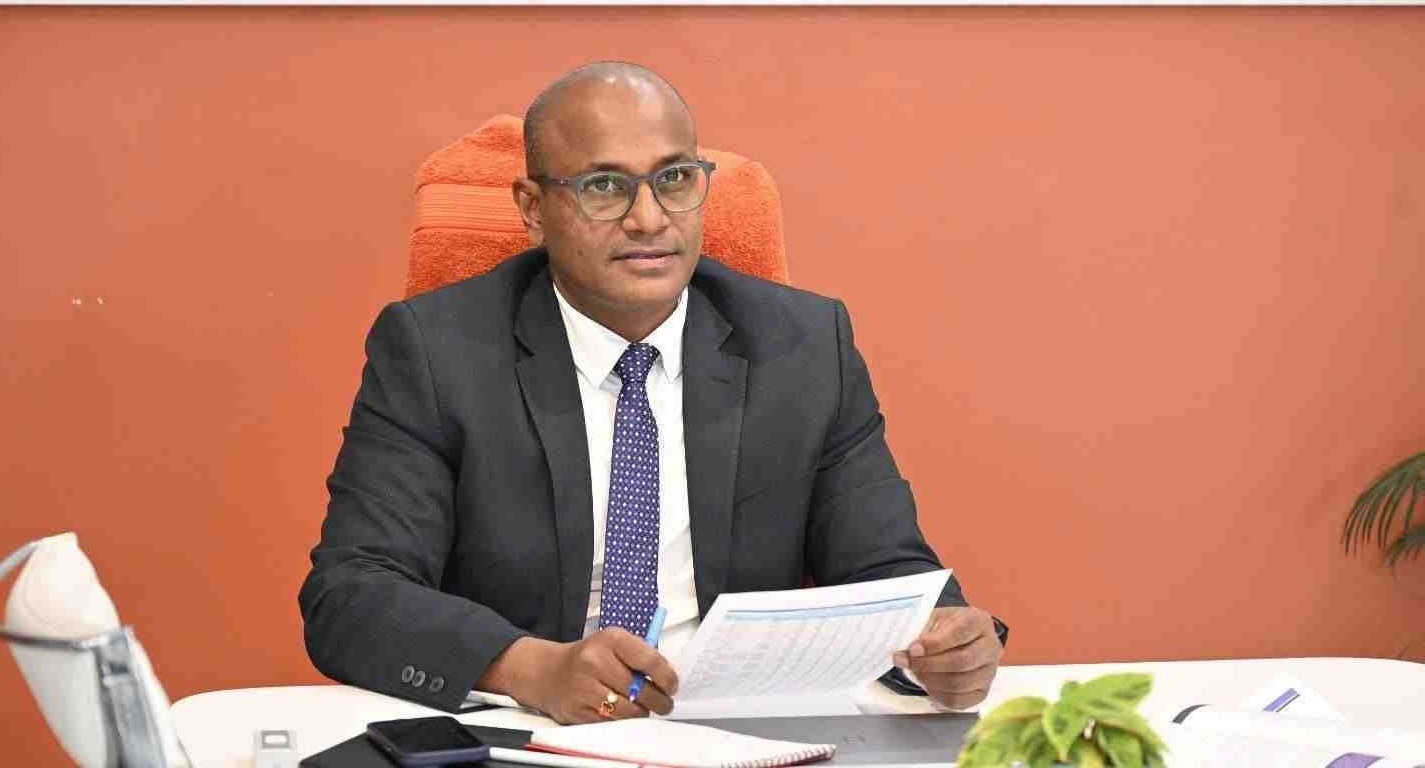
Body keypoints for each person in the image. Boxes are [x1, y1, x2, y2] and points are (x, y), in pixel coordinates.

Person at [300, 62, 1005, 724]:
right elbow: (351, 591)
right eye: (605, 186)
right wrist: (528, 667)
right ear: (533, 209)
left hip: (741, 729)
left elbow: (886, 567)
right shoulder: (436, 352)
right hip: (532, 729)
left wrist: (946, 642)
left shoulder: (804, 346)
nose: (648, 218)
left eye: (674, 178)